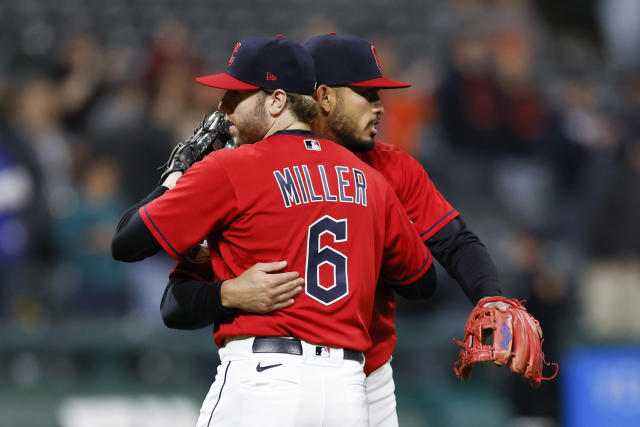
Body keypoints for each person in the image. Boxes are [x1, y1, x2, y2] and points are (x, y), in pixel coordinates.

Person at [159, 33, 510, 427]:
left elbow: (455, 241)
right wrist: (226, 293)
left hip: (363, 374)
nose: (380, 108)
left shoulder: (390, 166)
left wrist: (490, 296)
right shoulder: (248, 167)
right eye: (367, 94)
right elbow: (178, 297)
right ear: (322, 97)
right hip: (285, 366)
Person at [111, 36, 437, 427]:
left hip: (264, 381)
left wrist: (176, 175)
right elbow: (421, 281)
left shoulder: (232, 169)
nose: (223, 108)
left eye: (236, 96)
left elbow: (126, 242)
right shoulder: (369, 179)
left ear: (277, 101)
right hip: (348, 392)